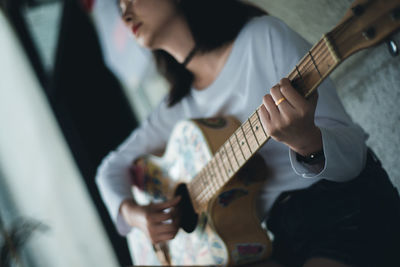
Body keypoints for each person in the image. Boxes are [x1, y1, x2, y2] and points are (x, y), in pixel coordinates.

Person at [95, 0, 400, 266]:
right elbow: (108, 171)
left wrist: (306, 141)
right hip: (271, 238)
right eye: (120, 8)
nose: (125, 14)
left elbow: (354, 160)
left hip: (342, 209)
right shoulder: (175, 109)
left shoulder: (262, 38)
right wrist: (137, 216)